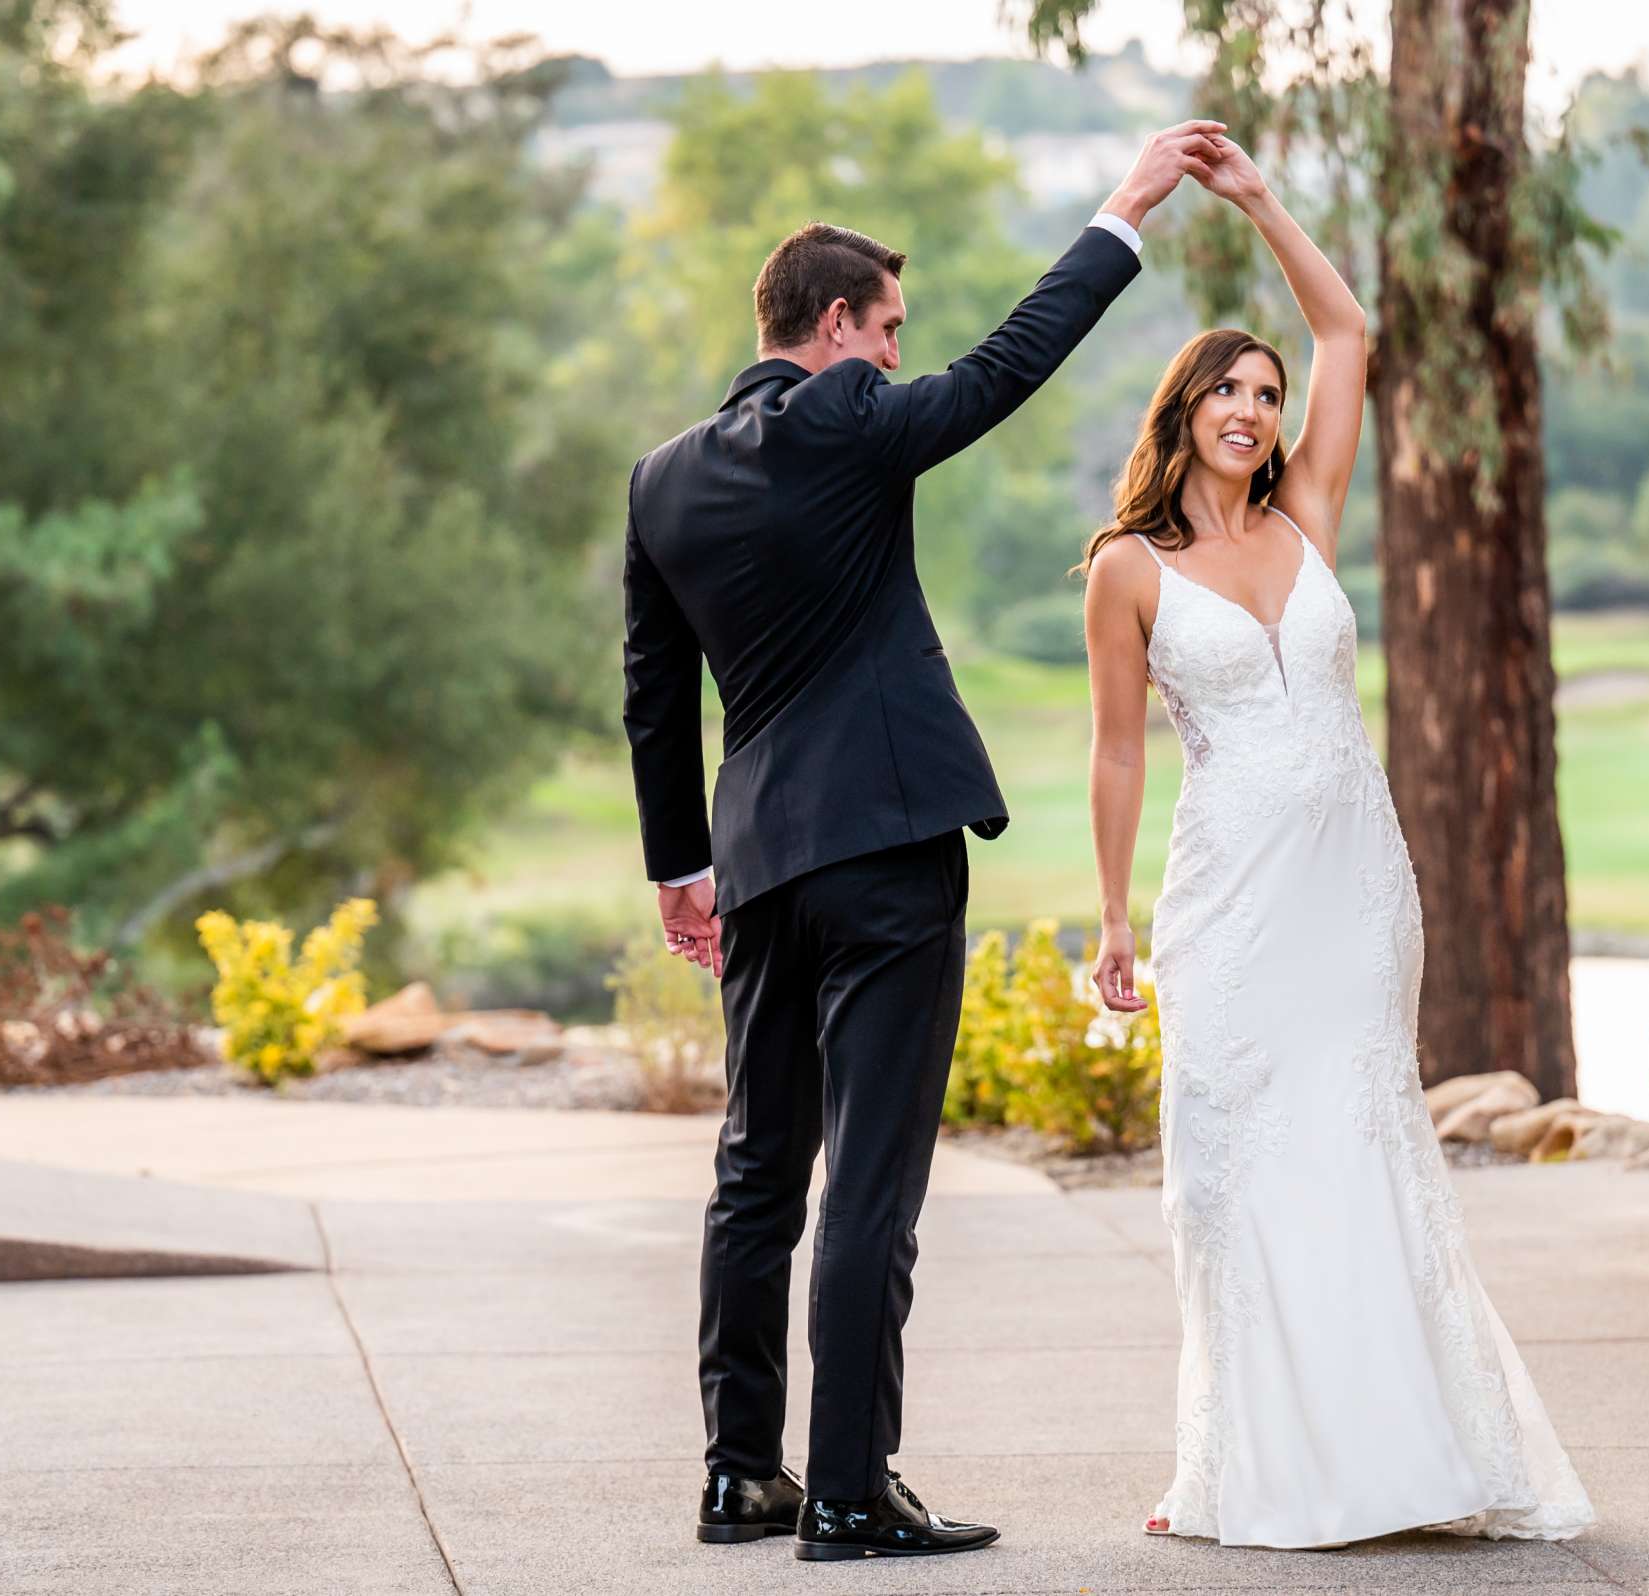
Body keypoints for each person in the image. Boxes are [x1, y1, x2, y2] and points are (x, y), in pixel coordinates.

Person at [620, 121, 1227, 1563]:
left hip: (759, 862)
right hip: (888, 852)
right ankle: (847, 1489)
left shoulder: (662, 479)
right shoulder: (844, 420)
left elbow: (653, 694)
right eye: (889, 330)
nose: (902, 355)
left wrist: (678, 866)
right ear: (835, 325)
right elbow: (1011, 365)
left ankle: (737, 1473)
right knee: (872, 1183)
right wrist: (1125, 211)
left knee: (759, 1167)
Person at [1078, 135, 1597, 1551]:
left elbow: (1347, 325)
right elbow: (1118, 750)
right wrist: (1114, 921)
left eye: (1265, 394)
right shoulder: (1127, 571)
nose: (1253, 409)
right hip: (1227, 898)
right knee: (1229, 1163)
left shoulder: (1306, 513)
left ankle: (1408, 1449)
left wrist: (1254, 200)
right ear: (1180, 411)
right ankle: (1241, 1462)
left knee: (1359, 1143)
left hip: (1356, 889)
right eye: (1226, 393)